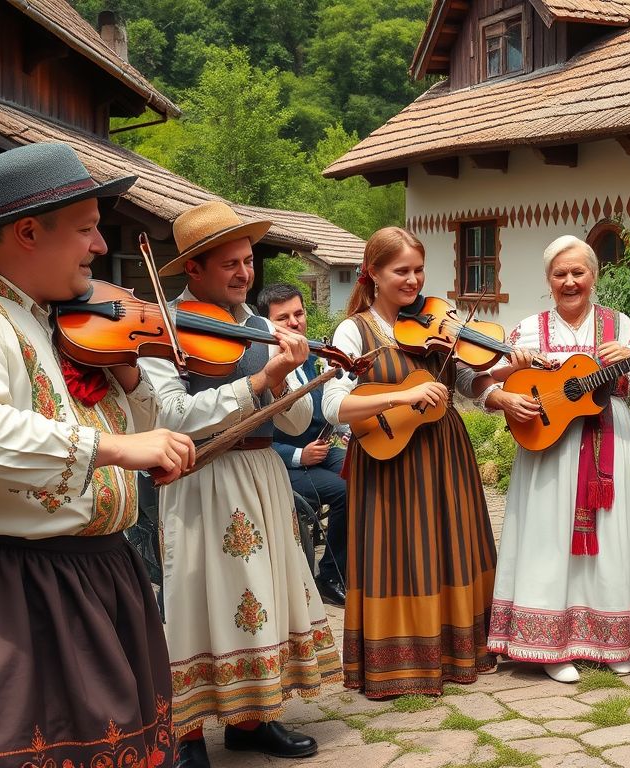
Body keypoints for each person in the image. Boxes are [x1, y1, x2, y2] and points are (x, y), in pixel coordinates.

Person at [0, 142, 195, 767]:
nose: (100, 247)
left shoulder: (66, 320)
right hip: (1, 585)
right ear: (28, 232)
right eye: (86, 230)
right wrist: (113, 447)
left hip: (94, 575)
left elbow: (131, 422)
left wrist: (132, 383)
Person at [139, 201, 339, 767]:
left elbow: (301, 423)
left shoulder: (260, 326)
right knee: (196, 599)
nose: (243, 274)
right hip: (201, 478)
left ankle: (254, 719)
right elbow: (171, 418)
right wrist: (258, 380)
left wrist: (288, 375)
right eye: (228, 264)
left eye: (247, 261)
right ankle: (187, 734)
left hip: (262, 475)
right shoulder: (163, 328)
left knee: (264, 592)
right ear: (193, 271)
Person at [482, 235, 630, 683]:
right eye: (560, 273)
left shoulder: (620, 326)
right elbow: (482, 385)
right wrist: (506, 395)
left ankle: (615, 639)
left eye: (578, 272)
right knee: (549, 539)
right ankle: (549, 645)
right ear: (548, 280)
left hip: (611, 441)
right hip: (549, 450)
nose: (570, 281)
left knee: (612, 536)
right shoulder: (527, 329)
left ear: (594, 276)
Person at [323, 227, 500, 699]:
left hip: (444, 451)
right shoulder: (353, 329)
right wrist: (406, 393)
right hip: (388, 458)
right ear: (373, 274)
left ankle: (457, 652)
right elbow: (333, 404)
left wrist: (503, 377)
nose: (413, 280)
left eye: (418, 270)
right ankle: (398, 664)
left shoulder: (436, 321)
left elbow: (465, 378)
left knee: (449, 546)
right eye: (401, 270)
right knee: (397, 554)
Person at [258, 282, 349, 606]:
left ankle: (357, 566)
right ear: (267, 325)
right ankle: (329, 576)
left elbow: (324, 409)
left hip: (319, 449)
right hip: (283, 461)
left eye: (299, 313)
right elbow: (253, 434)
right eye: (284, 318)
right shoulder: (262, 364)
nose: (296, 323)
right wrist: (298, 454)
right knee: (344, 492)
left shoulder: (311, 355)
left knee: (365, 471)